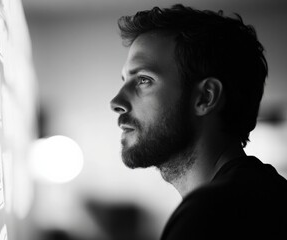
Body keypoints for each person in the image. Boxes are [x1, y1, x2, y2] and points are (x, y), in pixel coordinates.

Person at [110, 4, 287, 240]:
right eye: (124, 80)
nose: (116, 101)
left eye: (143, 79)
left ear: (205, 97)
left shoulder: (213, 215)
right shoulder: (264, 195)